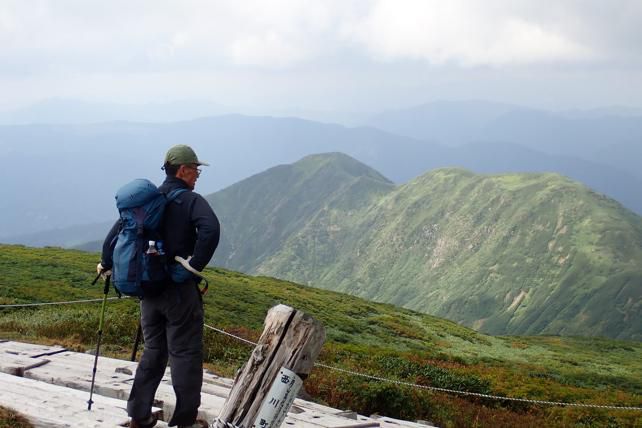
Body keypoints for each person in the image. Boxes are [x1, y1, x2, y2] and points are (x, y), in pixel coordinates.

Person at [98, 144, 220, 428]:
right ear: (183, 170)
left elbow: (113, 236)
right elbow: (211, 230)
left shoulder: (146, 202)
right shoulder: (190, 201)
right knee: (185, 354)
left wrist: (105, 264)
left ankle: (139, 416)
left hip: (149, 292)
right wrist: (192, 267)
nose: (198, 175)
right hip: (179, 293)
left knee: (153, 351)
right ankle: (184, 420)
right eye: (196, 169)